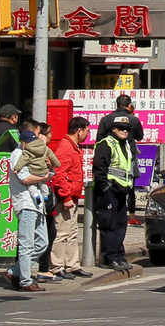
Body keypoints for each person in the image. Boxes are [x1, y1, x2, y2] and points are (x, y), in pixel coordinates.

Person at [4, 125, 50, 292]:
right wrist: (43, 176)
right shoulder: (17, 155)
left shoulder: (31, 154)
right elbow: (25, 178)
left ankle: (15, 271)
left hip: (37, 203)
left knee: (42, 242)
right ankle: (24, 280)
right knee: (27, 244)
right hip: (25, 202)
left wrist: (47, 168)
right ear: (23, 143)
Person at [47, 117, 91, 280]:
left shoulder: (73, 147)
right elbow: (59, 174)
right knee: (63, 232)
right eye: (86, 130)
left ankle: (72, 265)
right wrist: (65, 196)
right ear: (79, 131)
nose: (87, 134)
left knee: (72, 232)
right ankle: (57, 266)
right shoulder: (66, 147)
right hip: (66, 198)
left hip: (72, 196)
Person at [93, 115, 137, 272]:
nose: (125, 131)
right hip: (109, 191)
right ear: (113, 129)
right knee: (108, 225)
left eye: (127, 129)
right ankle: (109, 257)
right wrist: (105, 188)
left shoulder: (125, 145)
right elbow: (99, 169)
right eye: (121, 128)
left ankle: (119, 256)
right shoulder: (106, 144)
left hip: (121, 190)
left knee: (120, 225)